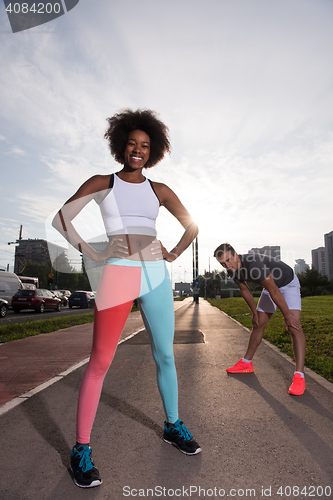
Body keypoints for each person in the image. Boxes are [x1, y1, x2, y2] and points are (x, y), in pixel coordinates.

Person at [53, 109, 201, 488]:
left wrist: (173, 254)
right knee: (101, 361)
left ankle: (172, 426)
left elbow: (192, 225)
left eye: (145, 146)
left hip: (155, 275)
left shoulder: (159, 190)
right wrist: (95, 251)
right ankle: (81, 449)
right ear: (122, 146)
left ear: (154, 152)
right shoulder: (103, 182)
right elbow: (62, 217)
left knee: (165, 354)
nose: (138, 150)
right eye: (133, 144)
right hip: (118, 273)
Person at [213, 243, 306, 396]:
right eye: (223, 263)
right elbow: (245, 290)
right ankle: (246, 363)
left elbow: (275, 290)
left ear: (236, 254)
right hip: (270, 288)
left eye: (229, 260)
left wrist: (287, 315)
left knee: (294, 327)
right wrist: (254, 313)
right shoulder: (232, 269)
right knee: (258, 324)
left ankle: (299, 376)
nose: (227, 265)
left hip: (287, 284)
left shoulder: (253, 264)